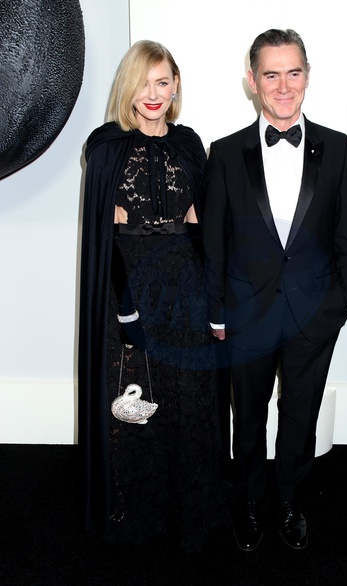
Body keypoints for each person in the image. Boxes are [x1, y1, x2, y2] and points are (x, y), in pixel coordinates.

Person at [202, 29, 347, 552]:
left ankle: (290, 499)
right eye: (271, 74)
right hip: (246, 314)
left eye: (293, 72)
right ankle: (249, 501)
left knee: (300, 415)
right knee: (247, 415)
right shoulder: (225, 153)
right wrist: (217, 310)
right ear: (252, 81)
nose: (284, 85)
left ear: (307, 76)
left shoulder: (338, 149)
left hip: (314, 313)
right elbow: (215, 242)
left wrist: (343, 301)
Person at [78, 40, 229, 553]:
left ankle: (186, 510)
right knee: (137, 399)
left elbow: (200, 227)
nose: (153, 93)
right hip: (131, 288)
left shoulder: (189, 145)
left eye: (163, 82)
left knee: (188, 397)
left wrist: (212, 297)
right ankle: (138, 514)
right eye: (143, 82)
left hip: (185, 288)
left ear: (176, 85)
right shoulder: (107, 148)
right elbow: (107, 240)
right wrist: (127, 311)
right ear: (128, 86)